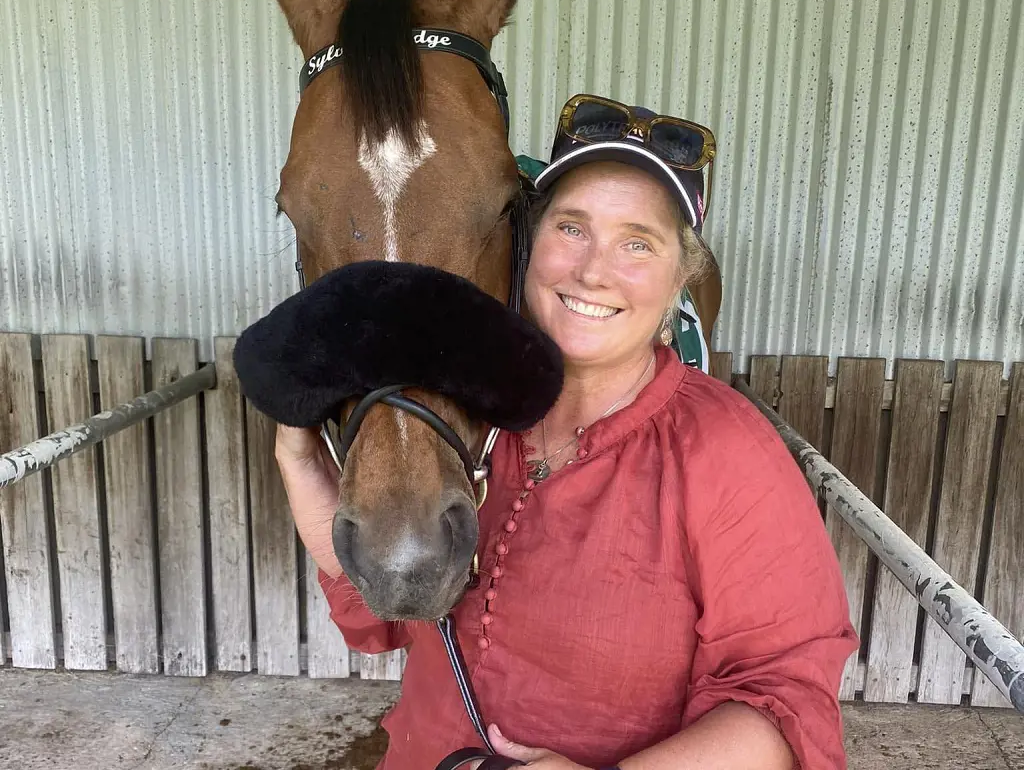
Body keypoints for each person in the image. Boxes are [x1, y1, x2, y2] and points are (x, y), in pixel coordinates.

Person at [275, 94, 858, 770]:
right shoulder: (470, 417)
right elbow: (391, 603)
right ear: (525, 244)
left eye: (638, 243)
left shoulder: (728, 454)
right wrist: (299, 461)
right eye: (571, 228)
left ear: (681, 278)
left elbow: (785, 708)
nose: (593, 270)